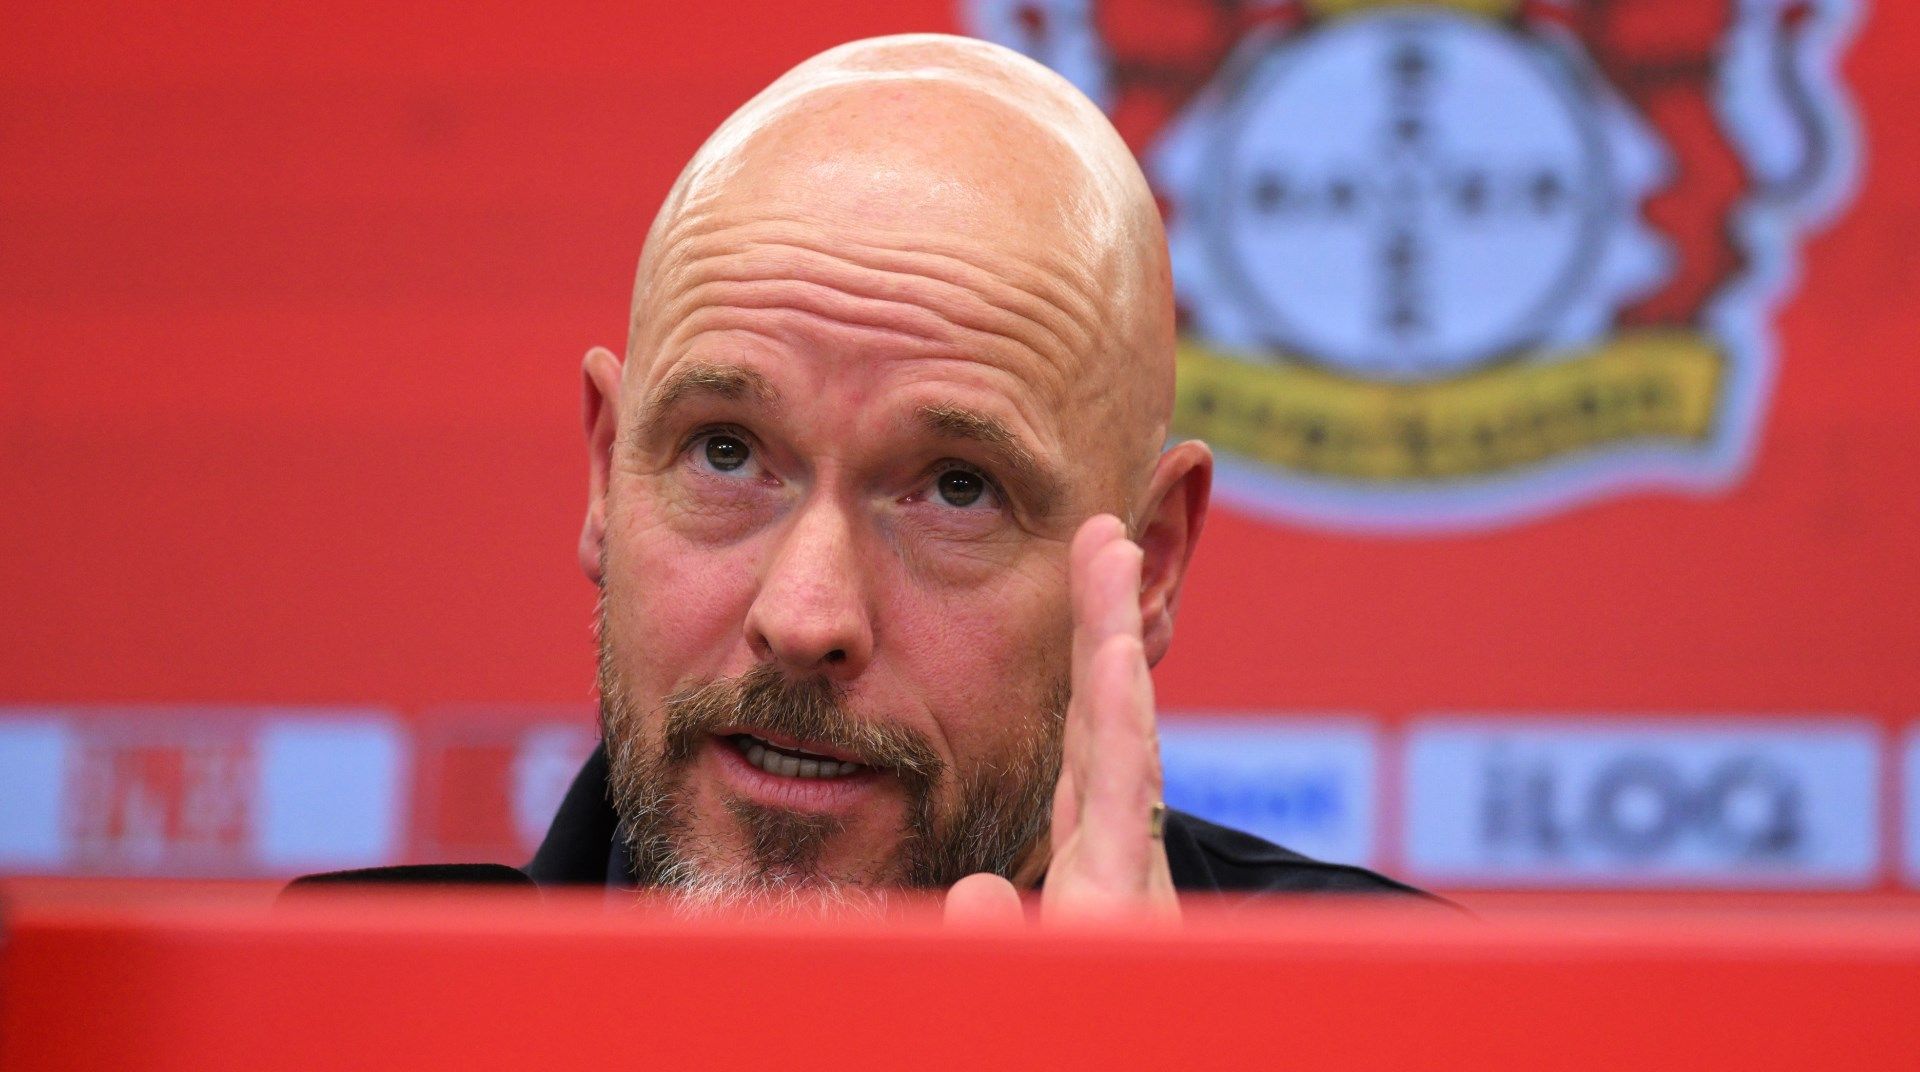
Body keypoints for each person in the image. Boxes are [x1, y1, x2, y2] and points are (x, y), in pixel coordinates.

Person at [304, 33, 1425, 918]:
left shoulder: (1399, 1025)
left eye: (957, 488)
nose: (805, 619)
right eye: (727, 452)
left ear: (1149, 566)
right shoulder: (328, 1024)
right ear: (608, 473)